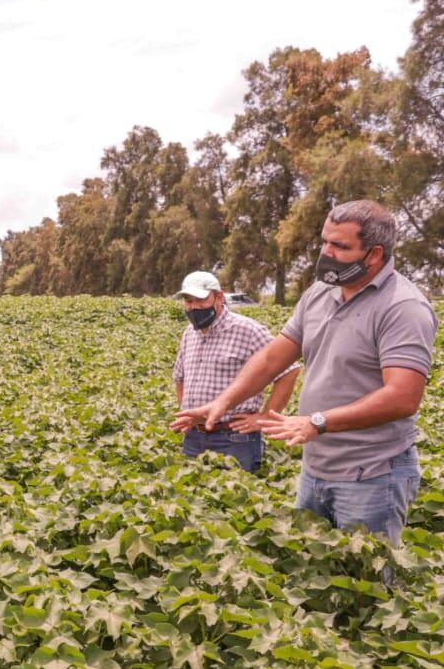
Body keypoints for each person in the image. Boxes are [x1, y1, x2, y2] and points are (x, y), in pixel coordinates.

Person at [173, 200, 437, 555]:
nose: (325, 253)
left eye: (339, 246)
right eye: (325, 242)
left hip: (372, 475)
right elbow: (271, 359)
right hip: (316, 469)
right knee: (308, 571)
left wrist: (318, 421)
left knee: (368, 588)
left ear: (374, 254)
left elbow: (403, 397)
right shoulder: (319, 294)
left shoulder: (403, 307)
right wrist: (221, 404)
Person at [171, 270, 300, 472]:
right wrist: (188, 414)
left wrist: (266, 416)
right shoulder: (190, 333)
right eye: (188, 301)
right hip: (194, 439)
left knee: (234, 501)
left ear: (219, 297)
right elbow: (180, 377)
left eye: (200, 300)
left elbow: (289, 370)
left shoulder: (248, 330)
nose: (194, 307)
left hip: (234, 439)